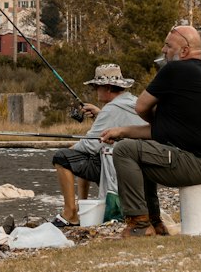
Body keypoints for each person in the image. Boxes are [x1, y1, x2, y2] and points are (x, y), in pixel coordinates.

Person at [101, 24, 201, 236]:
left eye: (168, 46)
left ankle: (139, 225)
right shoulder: (200, 75)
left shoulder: (175, 69)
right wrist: (122, 130)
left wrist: (151, 121)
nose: (163, 50)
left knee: (125, 151)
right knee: (142, 150)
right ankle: (155, 223)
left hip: (199, 164)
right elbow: (162, 132)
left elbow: (140, 106)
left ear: (184, 50)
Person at [51, 64, 138, 227]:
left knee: (62, 157)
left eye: (96, 86)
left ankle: (71, 214)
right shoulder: (132, 102)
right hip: (135, 164)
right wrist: (100, 114)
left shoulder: (111, 110)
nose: (95, 90)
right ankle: (81, 206)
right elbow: (118, 123)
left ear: (108, 87)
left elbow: (89, 145)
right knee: (80, 158)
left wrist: (69, 150)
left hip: (120, 167)